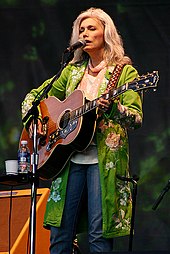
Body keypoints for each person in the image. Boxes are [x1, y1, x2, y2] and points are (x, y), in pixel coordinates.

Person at [21, 7, 143, 254]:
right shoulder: (71, 72)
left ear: (105, 33)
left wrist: (115, 108)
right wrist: (37, 121)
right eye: (81, 29)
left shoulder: (124, 71)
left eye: (91, 28)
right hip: (68, 161)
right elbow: (35, 98)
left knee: (99, 237)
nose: (85, 33)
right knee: (60, 235)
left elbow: (136, 118)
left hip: (103, 161)